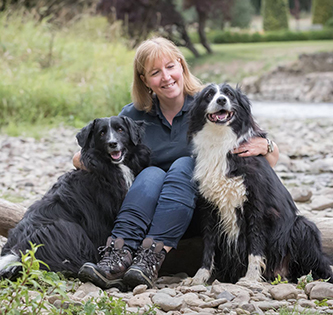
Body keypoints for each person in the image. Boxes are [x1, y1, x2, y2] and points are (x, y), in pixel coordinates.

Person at [74, 37, 280, 290]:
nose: (166, 77)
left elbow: (268, 159)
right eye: (155, 72)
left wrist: (267, 145)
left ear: (182, 66)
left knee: (184, 165)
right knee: (150, 173)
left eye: (170, 66)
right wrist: (85, 158)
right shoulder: (132, 116)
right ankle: (117, 254)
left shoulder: (208, 103)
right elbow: (92, 151)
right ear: (144, 80)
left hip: (199, 213)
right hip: (144, 210)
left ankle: (151, 258)